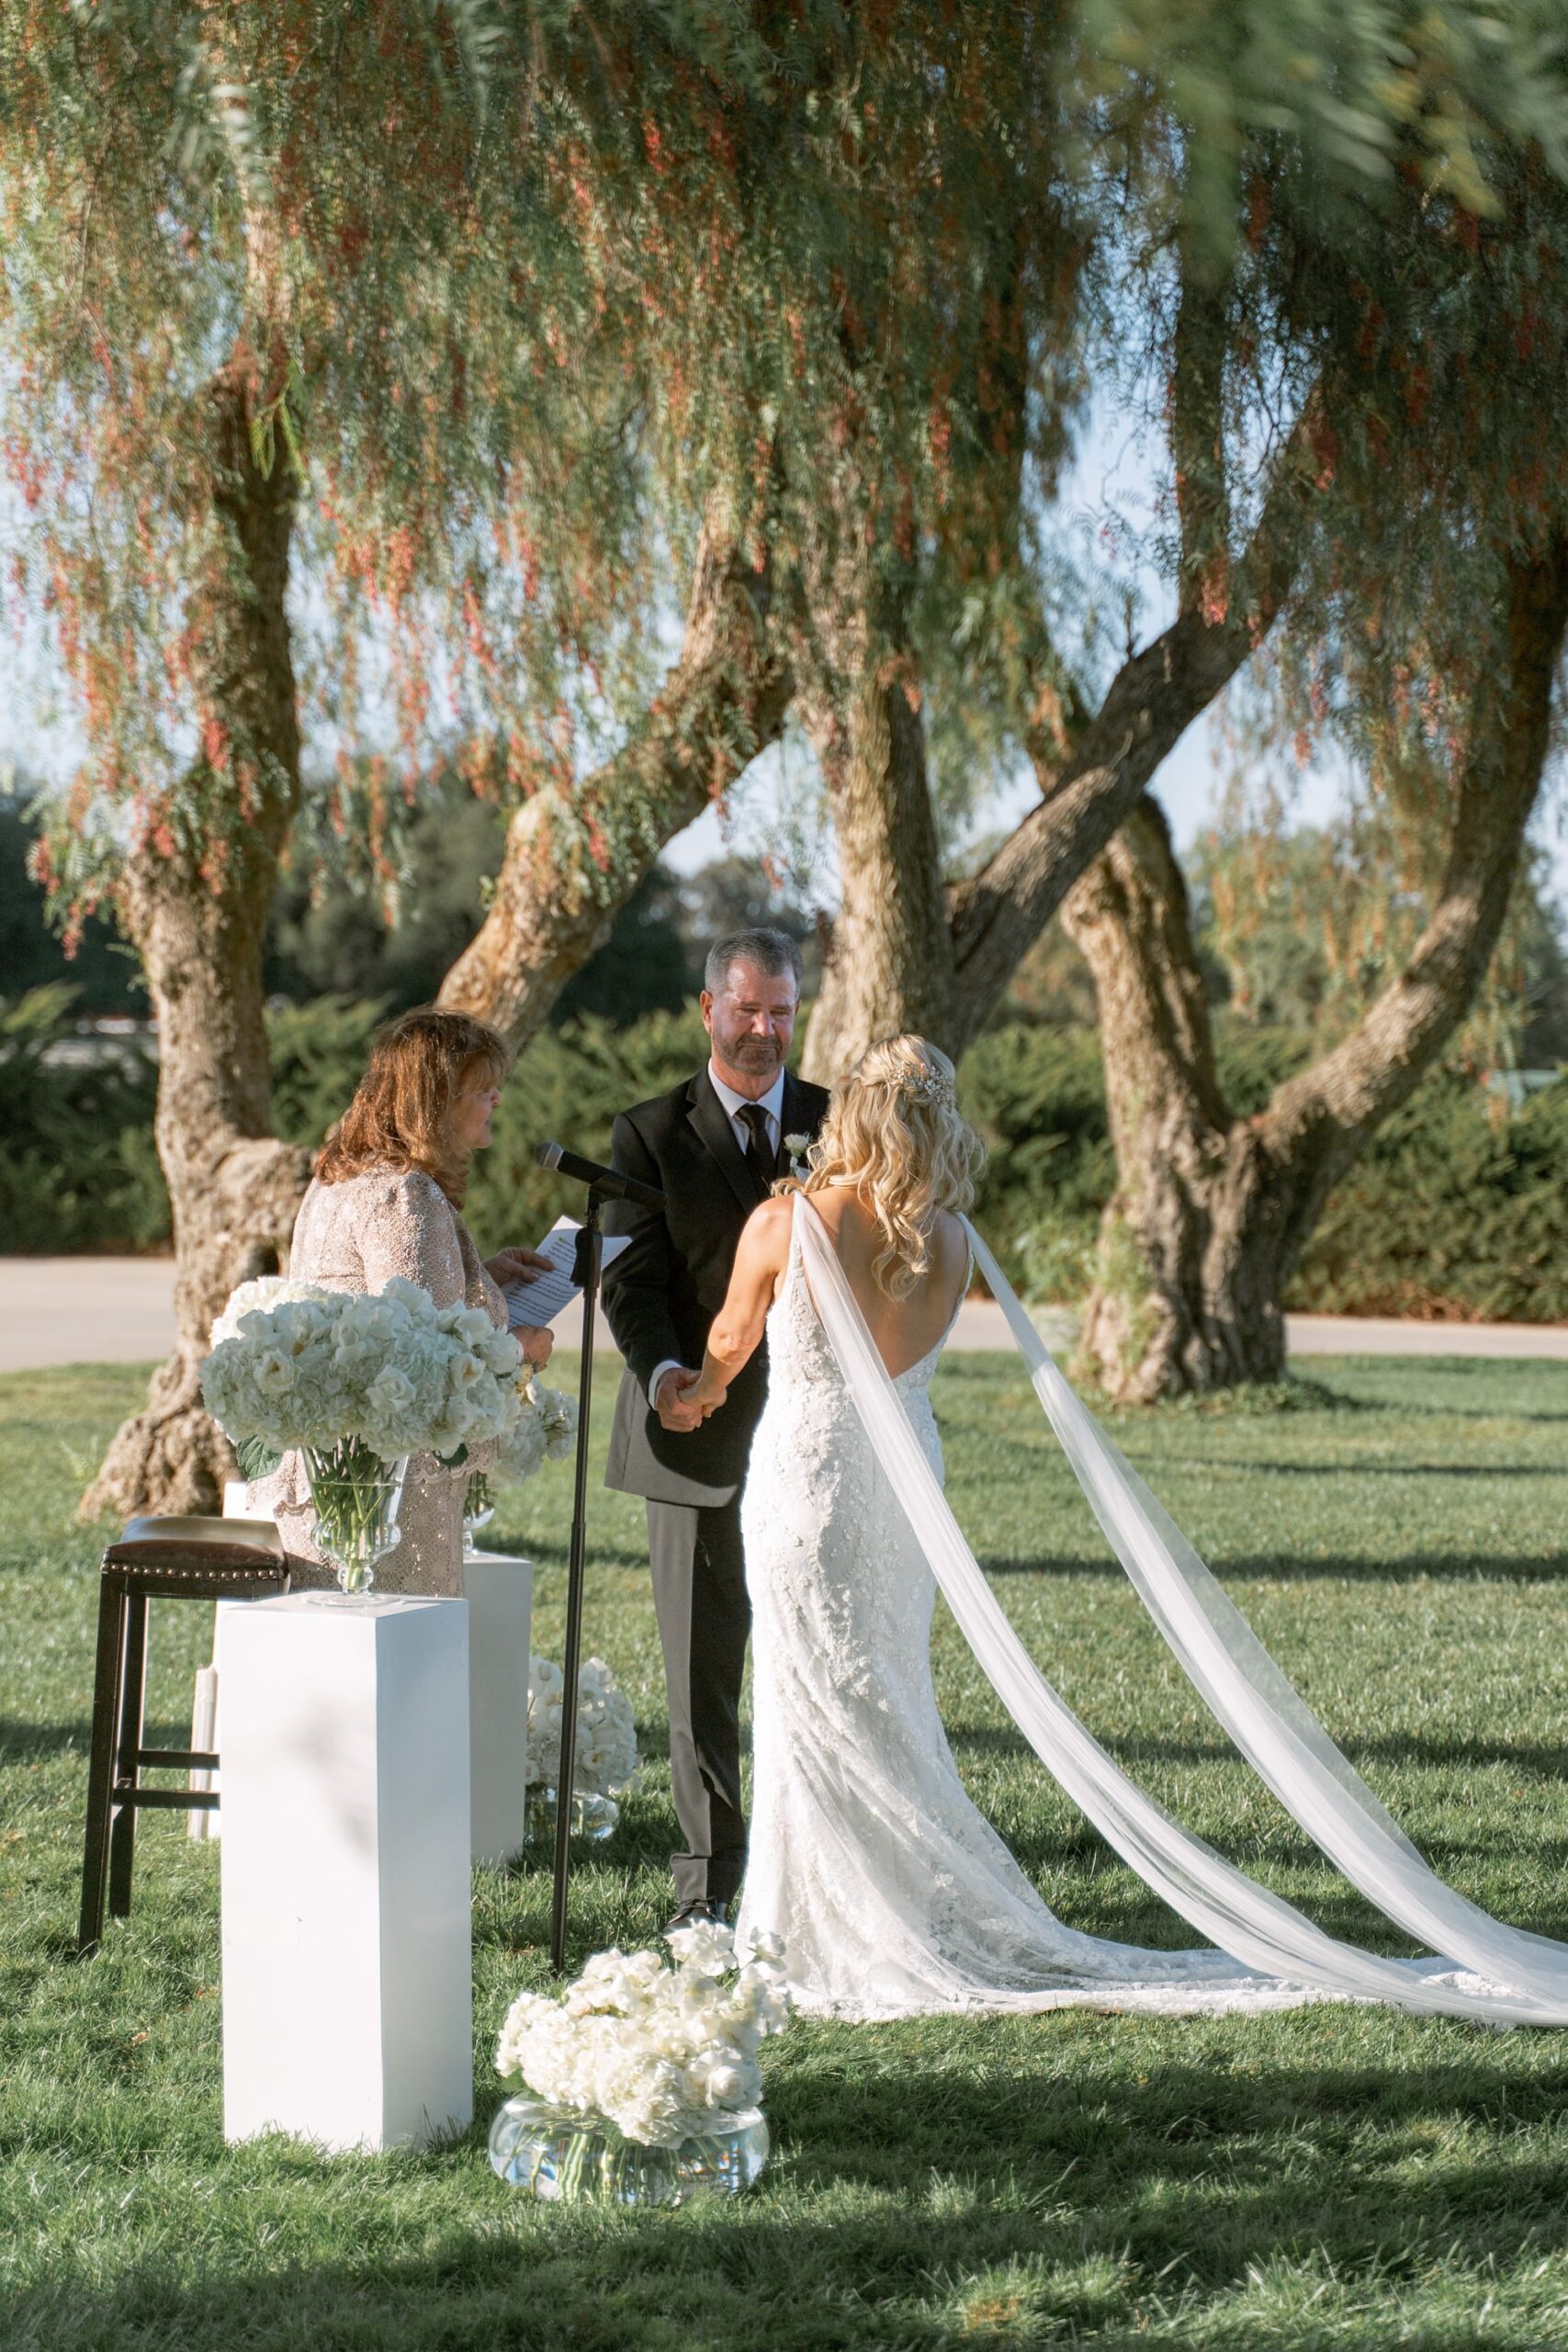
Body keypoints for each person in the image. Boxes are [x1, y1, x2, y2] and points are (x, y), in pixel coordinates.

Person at [685, 1034, 1568, 2026]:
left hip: (813, 1483)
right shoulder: (955, 1241)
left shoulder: (790, 1221)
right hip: (903, 1494)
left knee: (816, 1691)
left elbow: (730, 1338)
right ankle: (869, 1914)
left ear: (849, 1109)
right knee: (885, 1689)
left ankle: (823, 1929)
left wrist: (696, 1392)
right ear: (940, 1121)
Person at [600, 930, 829, 1930]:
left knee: (815, 1659)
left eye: (781, 1011)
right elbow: (629, 1283)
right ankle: (708, 1887)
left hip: (813, 1439)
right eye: (747, 1010)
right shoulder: (647, 1134)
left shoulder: (835, 1124)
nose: (765, 1030)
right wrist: (664, 1378)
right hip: (691, 1437)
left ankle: (815, 1870)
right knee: (703, 1676)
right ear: (707, 1009)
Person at [254, 1007, 554, 1596]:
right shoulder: (404, 1193)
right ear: (437, 1100)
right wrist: (522, 1349)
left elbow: (391, 1299)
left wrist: (482, 1277)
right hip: (383, 1495)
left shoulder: (339, 1179)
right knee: (404, 1645)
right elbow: (425, 1355)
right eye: (483, 1089)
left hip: (336, 1474)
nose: (496, 1099)